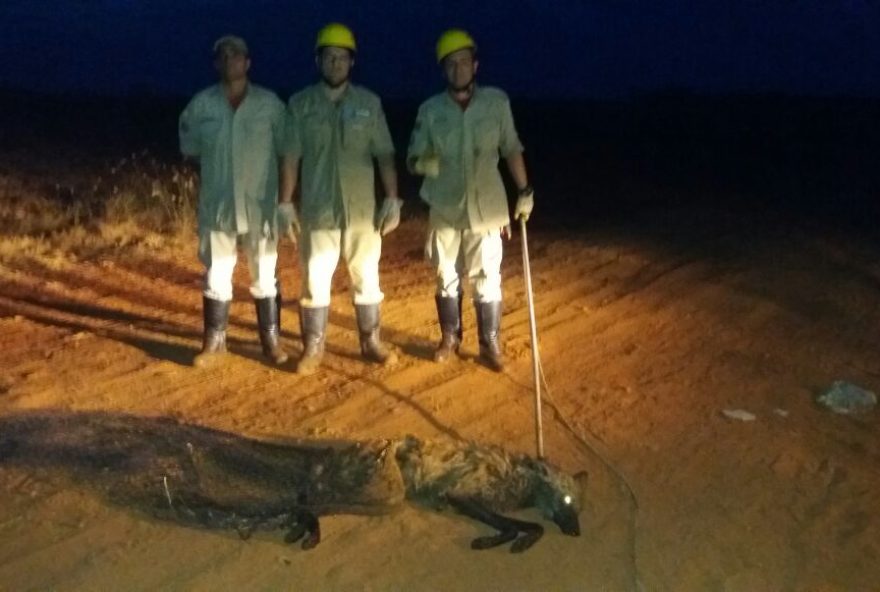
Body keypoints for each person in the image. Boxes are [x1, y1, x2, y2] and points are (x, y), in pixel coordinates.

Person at [407, 29, 534, 372]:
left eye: (464, 62)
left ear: (475, 65)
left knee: (486, 275)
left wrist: (524, 191)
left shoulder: (496, 102)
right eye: (451, 64)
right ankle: (450, 337)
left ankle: (489, 343)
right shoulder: (430, 110)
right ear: (443, 69)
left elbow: (511, 148)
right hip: (444, 205)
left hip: (487, 207)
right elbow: (412, 157)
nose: (458, 69)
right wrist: (423, 163)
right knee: (445, 273)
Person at [284, 23, 402, 375]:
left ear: (352, 63)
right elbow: (291, 156)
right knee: (314, 279)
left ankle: (371, 342)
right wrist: (284, 203)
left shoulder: (369, 103)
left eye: (342, 57)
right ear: (318, 61)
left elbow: (384, 154)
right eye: (329, 57)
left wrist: (393, 198)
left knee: (367, 276)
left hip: (362, 212)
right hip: (319, 209)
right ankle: (313, 347)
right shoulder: (300, 104)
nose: (336, 63)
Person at [179, 35, 292, 367]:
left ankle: (271, 342)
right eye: (223, 56)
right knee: (216, 273)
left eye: (236, 55)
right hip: (218, 206)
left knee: (265, 274)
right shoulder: (201, 106)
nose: (230, 60)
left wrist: (285, 201)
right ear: (216, 63)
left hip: (261, 208)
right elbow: (191, 150)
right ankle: (214, 343)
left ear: (248, 62)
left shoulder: (271, 105)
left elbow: (288, 153)